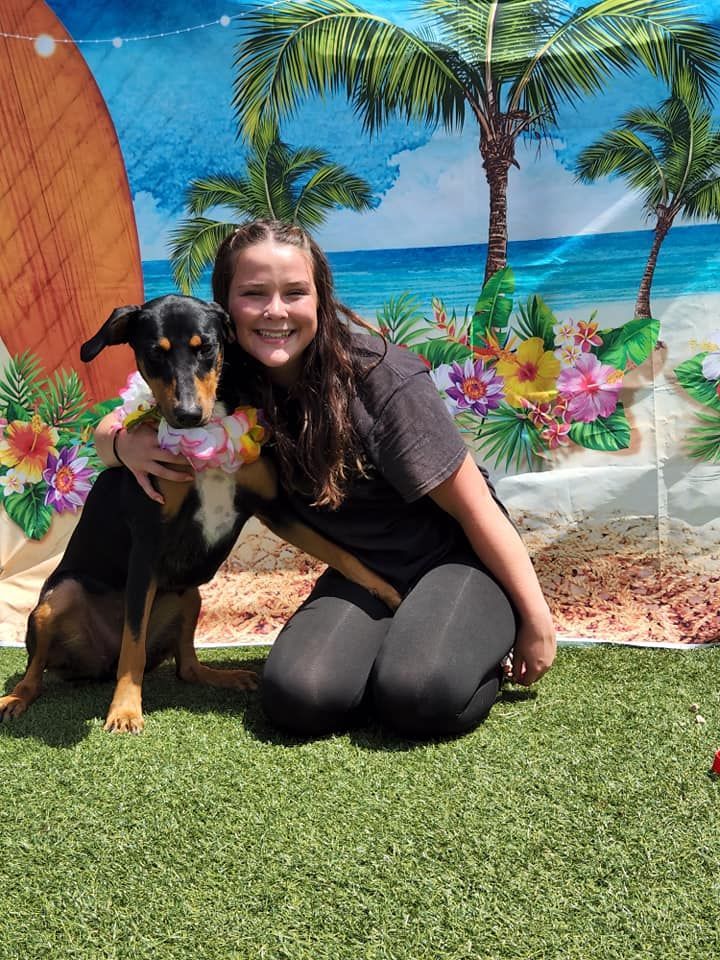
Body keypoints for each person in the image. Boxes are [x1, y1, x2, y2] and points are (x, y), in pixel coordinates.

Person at [94, 219, 556, 739]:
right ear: (225, 308)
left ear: (320, 297)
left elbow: (476, 508)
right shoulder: (222, 378)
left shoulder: (380, 377)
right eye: (254, 293)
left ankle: (459, 635)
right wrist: (120, 444)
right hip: (363, 572)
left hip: (452, 561)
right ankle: (404, 636)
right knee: (299, 697)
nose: (275, 310)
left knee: (418, 694)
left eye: (294, 292)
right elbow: (116, 421)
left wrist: (536, 619)